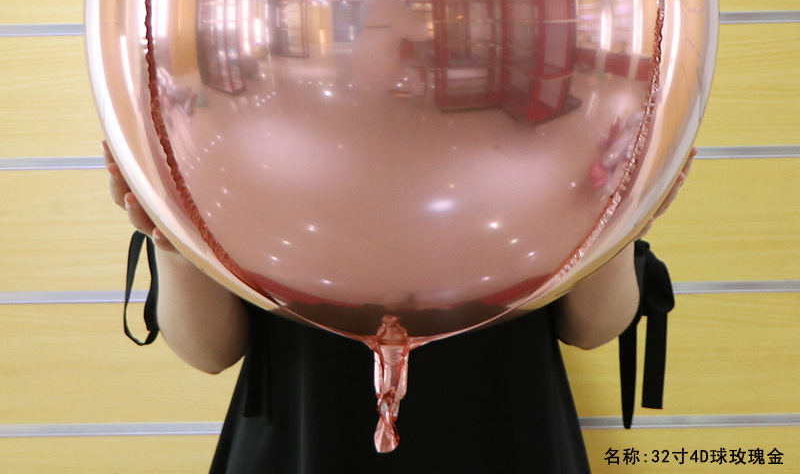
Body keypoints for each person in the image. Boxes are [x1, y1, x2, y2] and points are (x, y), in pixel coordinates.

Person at [105, 141, 694, 474]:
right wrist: (172, 243)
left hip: (508, 436)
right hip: (302, 442)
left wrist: (621, 227)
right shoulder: (254, 144)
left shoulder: (541, 140)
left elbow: (591, 326)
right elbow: (210, 350)